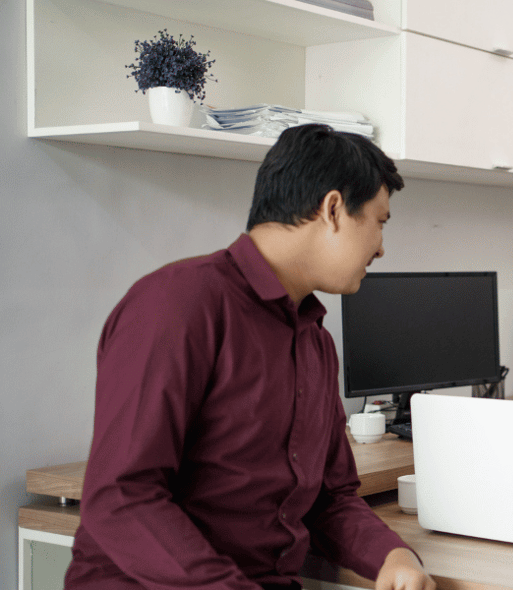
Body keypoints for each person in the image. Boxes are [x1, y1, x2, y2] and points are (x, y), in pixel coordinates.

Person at [64, 124, 435, 590]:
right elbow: (123, 498)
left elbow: (330, 499)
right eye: (379, 222)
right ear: (334, 209)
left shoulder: (315, 342)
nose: (381, 246)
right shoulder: (176, 305)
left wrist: (392, 555)